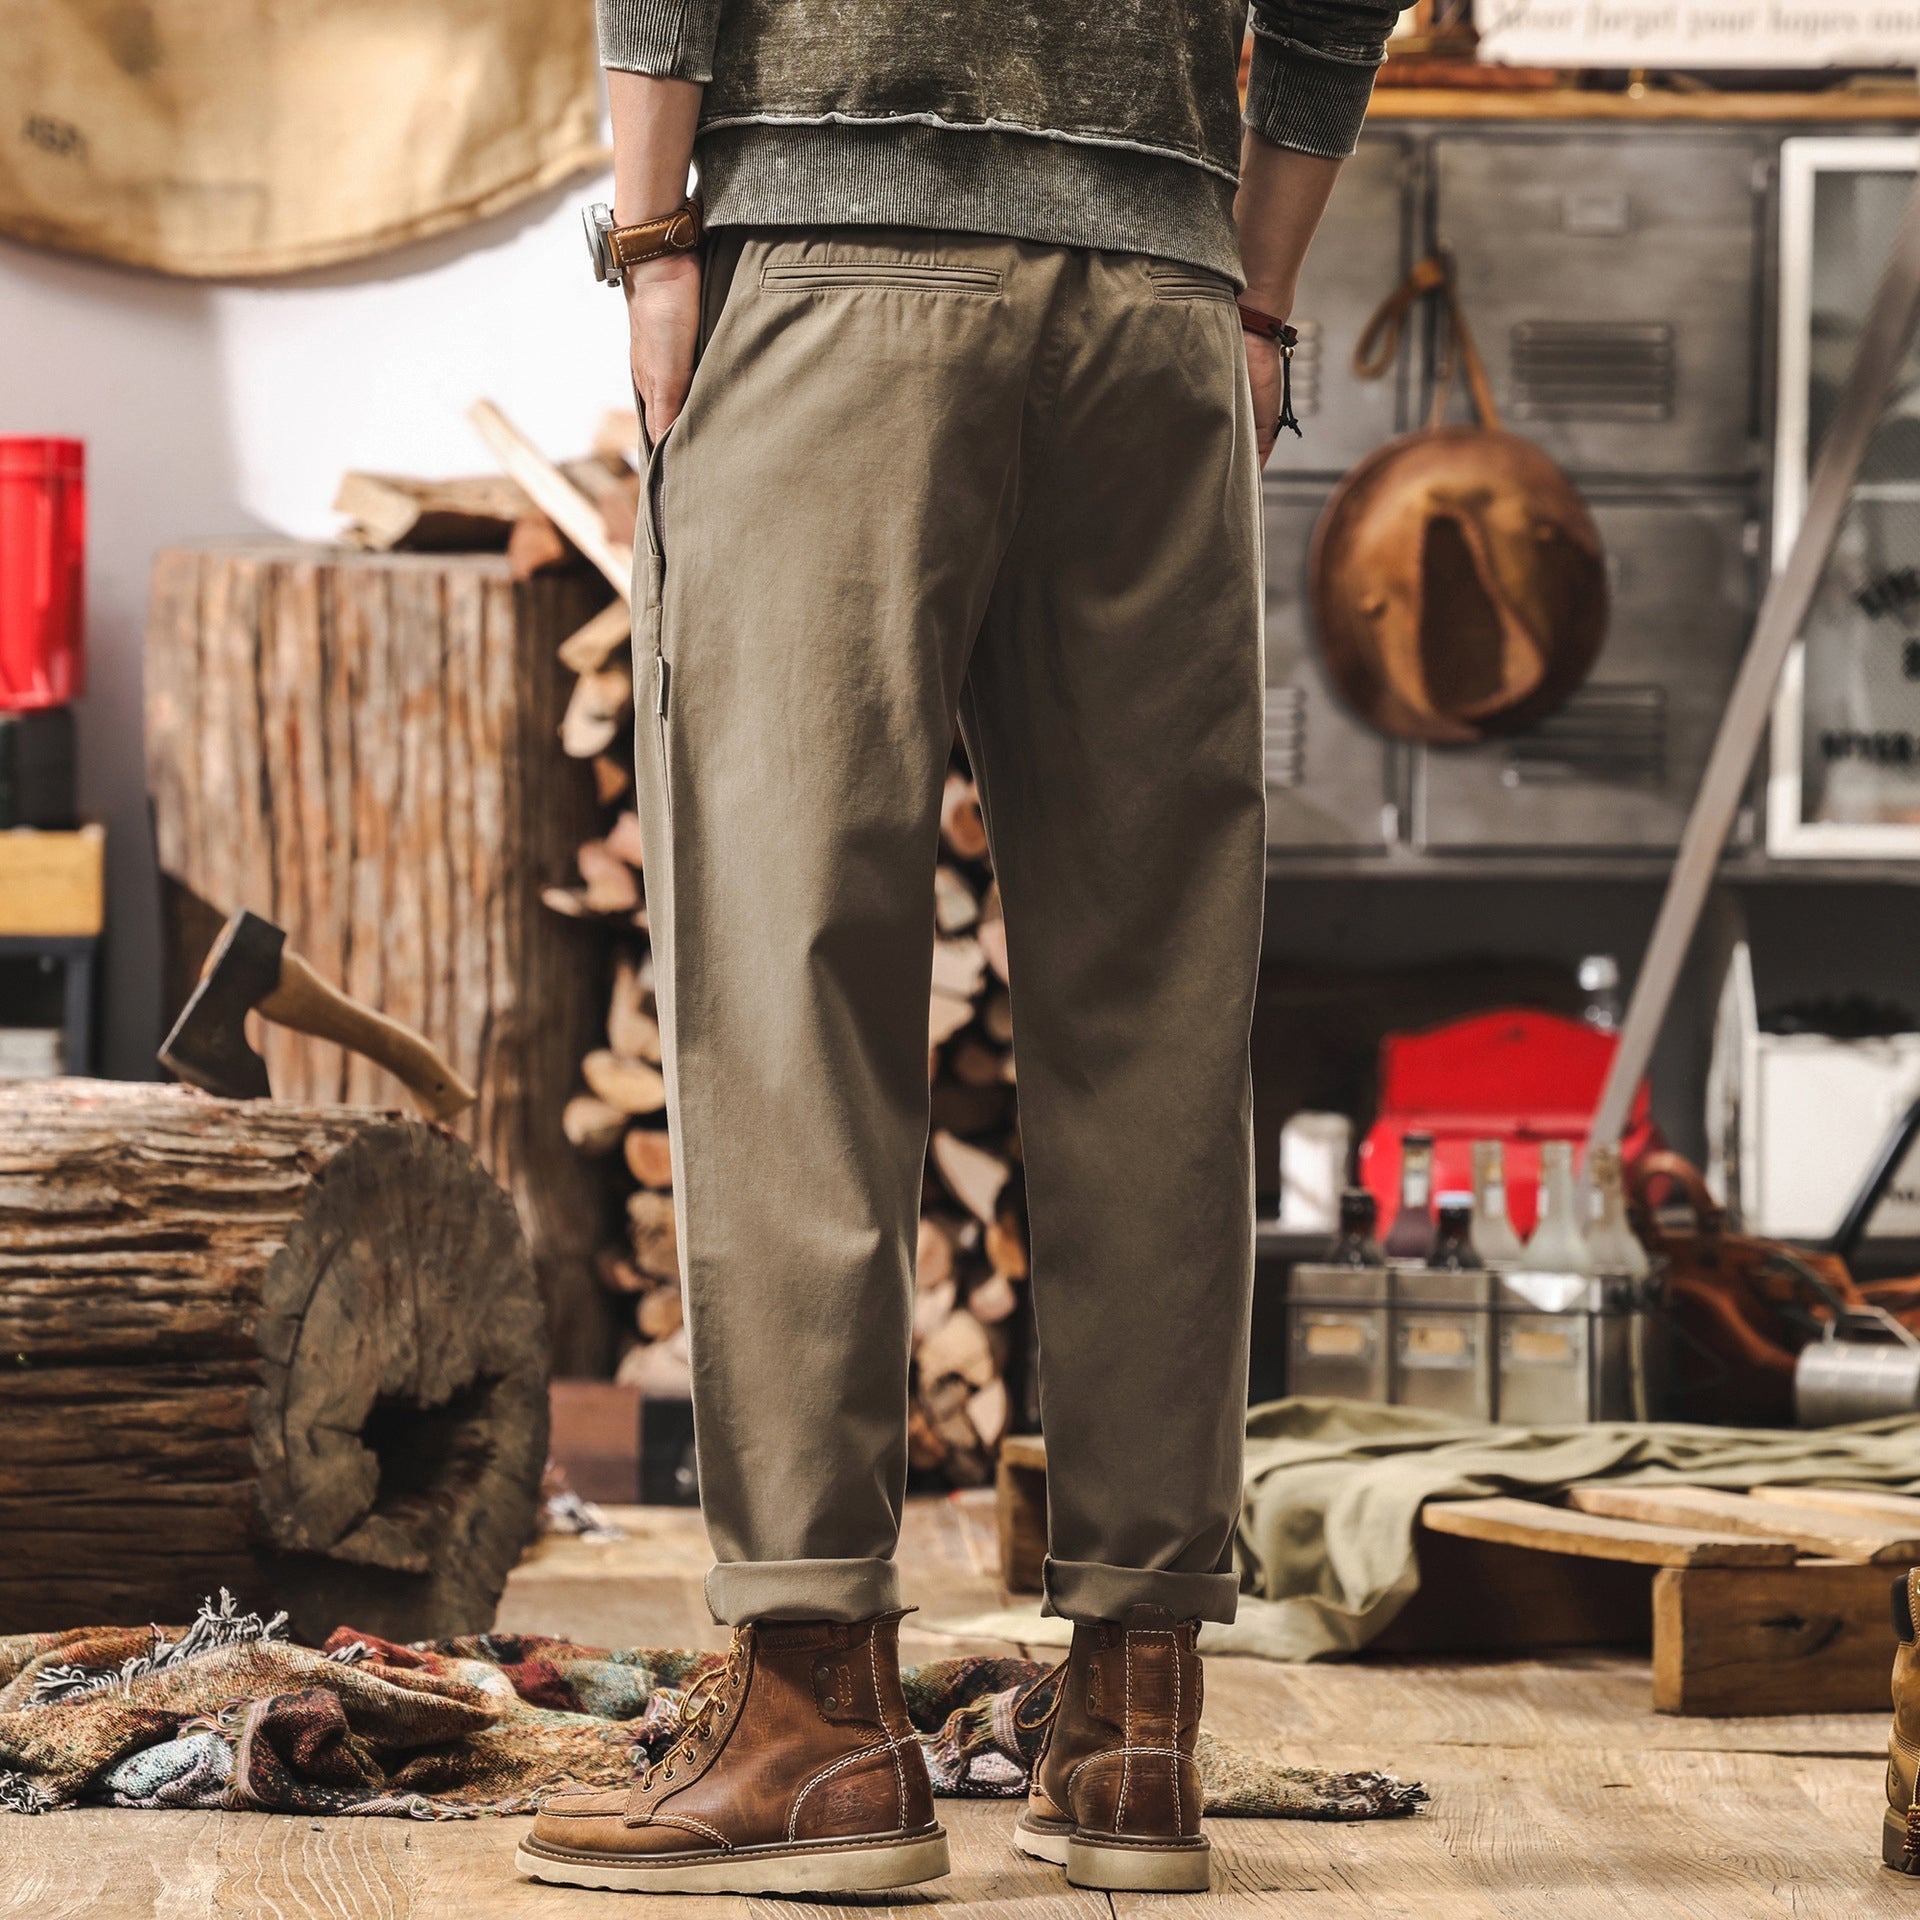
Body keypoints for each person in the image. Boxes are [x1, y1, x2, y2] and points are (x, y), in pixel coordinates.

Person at [520, 0, 1402, 1897]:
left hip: (841, 268)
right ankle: (1135, 1728)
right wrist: (1249, 293)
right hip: (1159, 305)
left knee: (788, 982)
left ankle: (820, 1722)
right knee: (1156, 1002)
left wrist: (657, 232)